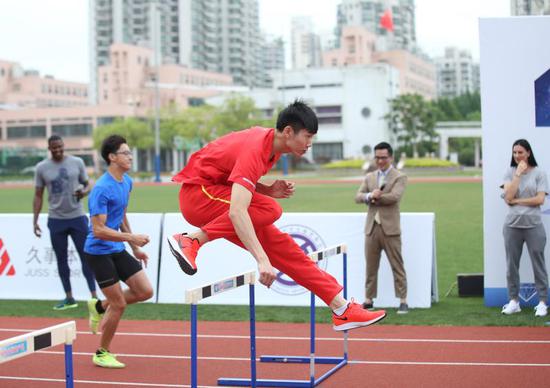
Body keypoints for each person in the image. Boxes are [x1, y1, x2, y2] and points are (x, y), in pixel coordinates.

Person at [166, 100, 386, 332]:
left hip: (215, 195)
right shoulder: (256, 149)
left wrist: (267, 190)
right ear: (288, 132)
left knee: (285, 249)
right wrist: (261, 260)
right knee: (270, 210)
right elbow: (237, 211)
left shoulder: (271, 148)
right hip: (198, 196)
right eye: (308, 136)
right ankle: (192, 240)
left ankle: (341, 309)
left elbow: (234, 176)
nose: (310, 144)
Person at [83, 134, 153, 368]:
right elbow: (99, 229)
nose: (130, 156)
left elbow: (121, 214)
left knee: (145, 291)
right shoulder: (101, 188)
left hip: (117, 246)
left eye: (129, 152)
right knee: (120, 303)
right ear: (112, 157)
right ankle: (101, 352)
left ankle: (99, 306)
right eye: (125, 153)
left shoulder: (127, 182)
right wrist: (131, 237)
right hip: (98, 251)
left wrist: (134, 247)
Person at [33, 134, 98, 310]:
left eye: (60, 146)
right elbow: (38, 195)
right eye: (54, 148)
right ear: (49, 149)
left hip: (77, 217)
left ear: (64, 146)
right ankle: (69, 297)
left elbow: (88, 184)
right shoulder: (41, 168)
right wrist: (35, 220)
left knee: (87, 257)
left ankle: (94, 296)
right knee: (62, 260)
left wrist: (83, 192)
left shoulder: (77, 162)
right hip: (56, 219)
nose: (58, 150)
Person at [354, 142, 409, 314]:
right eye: (377, 157)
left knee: (397, 265)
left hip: (390, 228)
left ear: (391, 157)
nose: (380, 161)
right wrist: (370, 195)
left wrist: (377, 197)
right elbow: (357, 196)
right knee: (371, 267)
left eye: (383, 157)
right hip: (372, 228)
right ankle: (369, 299)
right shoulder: (370, 177)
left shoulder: (399, 176)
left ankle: (403, 300)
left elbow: (395, 197)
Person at [501, 139, 548, 317]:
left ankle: (543, 302)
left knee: (539, 264)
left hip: (534, 225)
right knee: (511, 265)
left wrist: (518, 201)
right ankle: (514, 301)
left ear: (528, 153)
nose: (517, 155)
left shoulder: (539, 173)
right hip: (512, 225)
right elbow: (508, 197)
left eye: (520, 152)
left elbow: (539, 200)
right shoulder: (510, 173)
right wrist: (518, 175)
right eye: (514, 152)